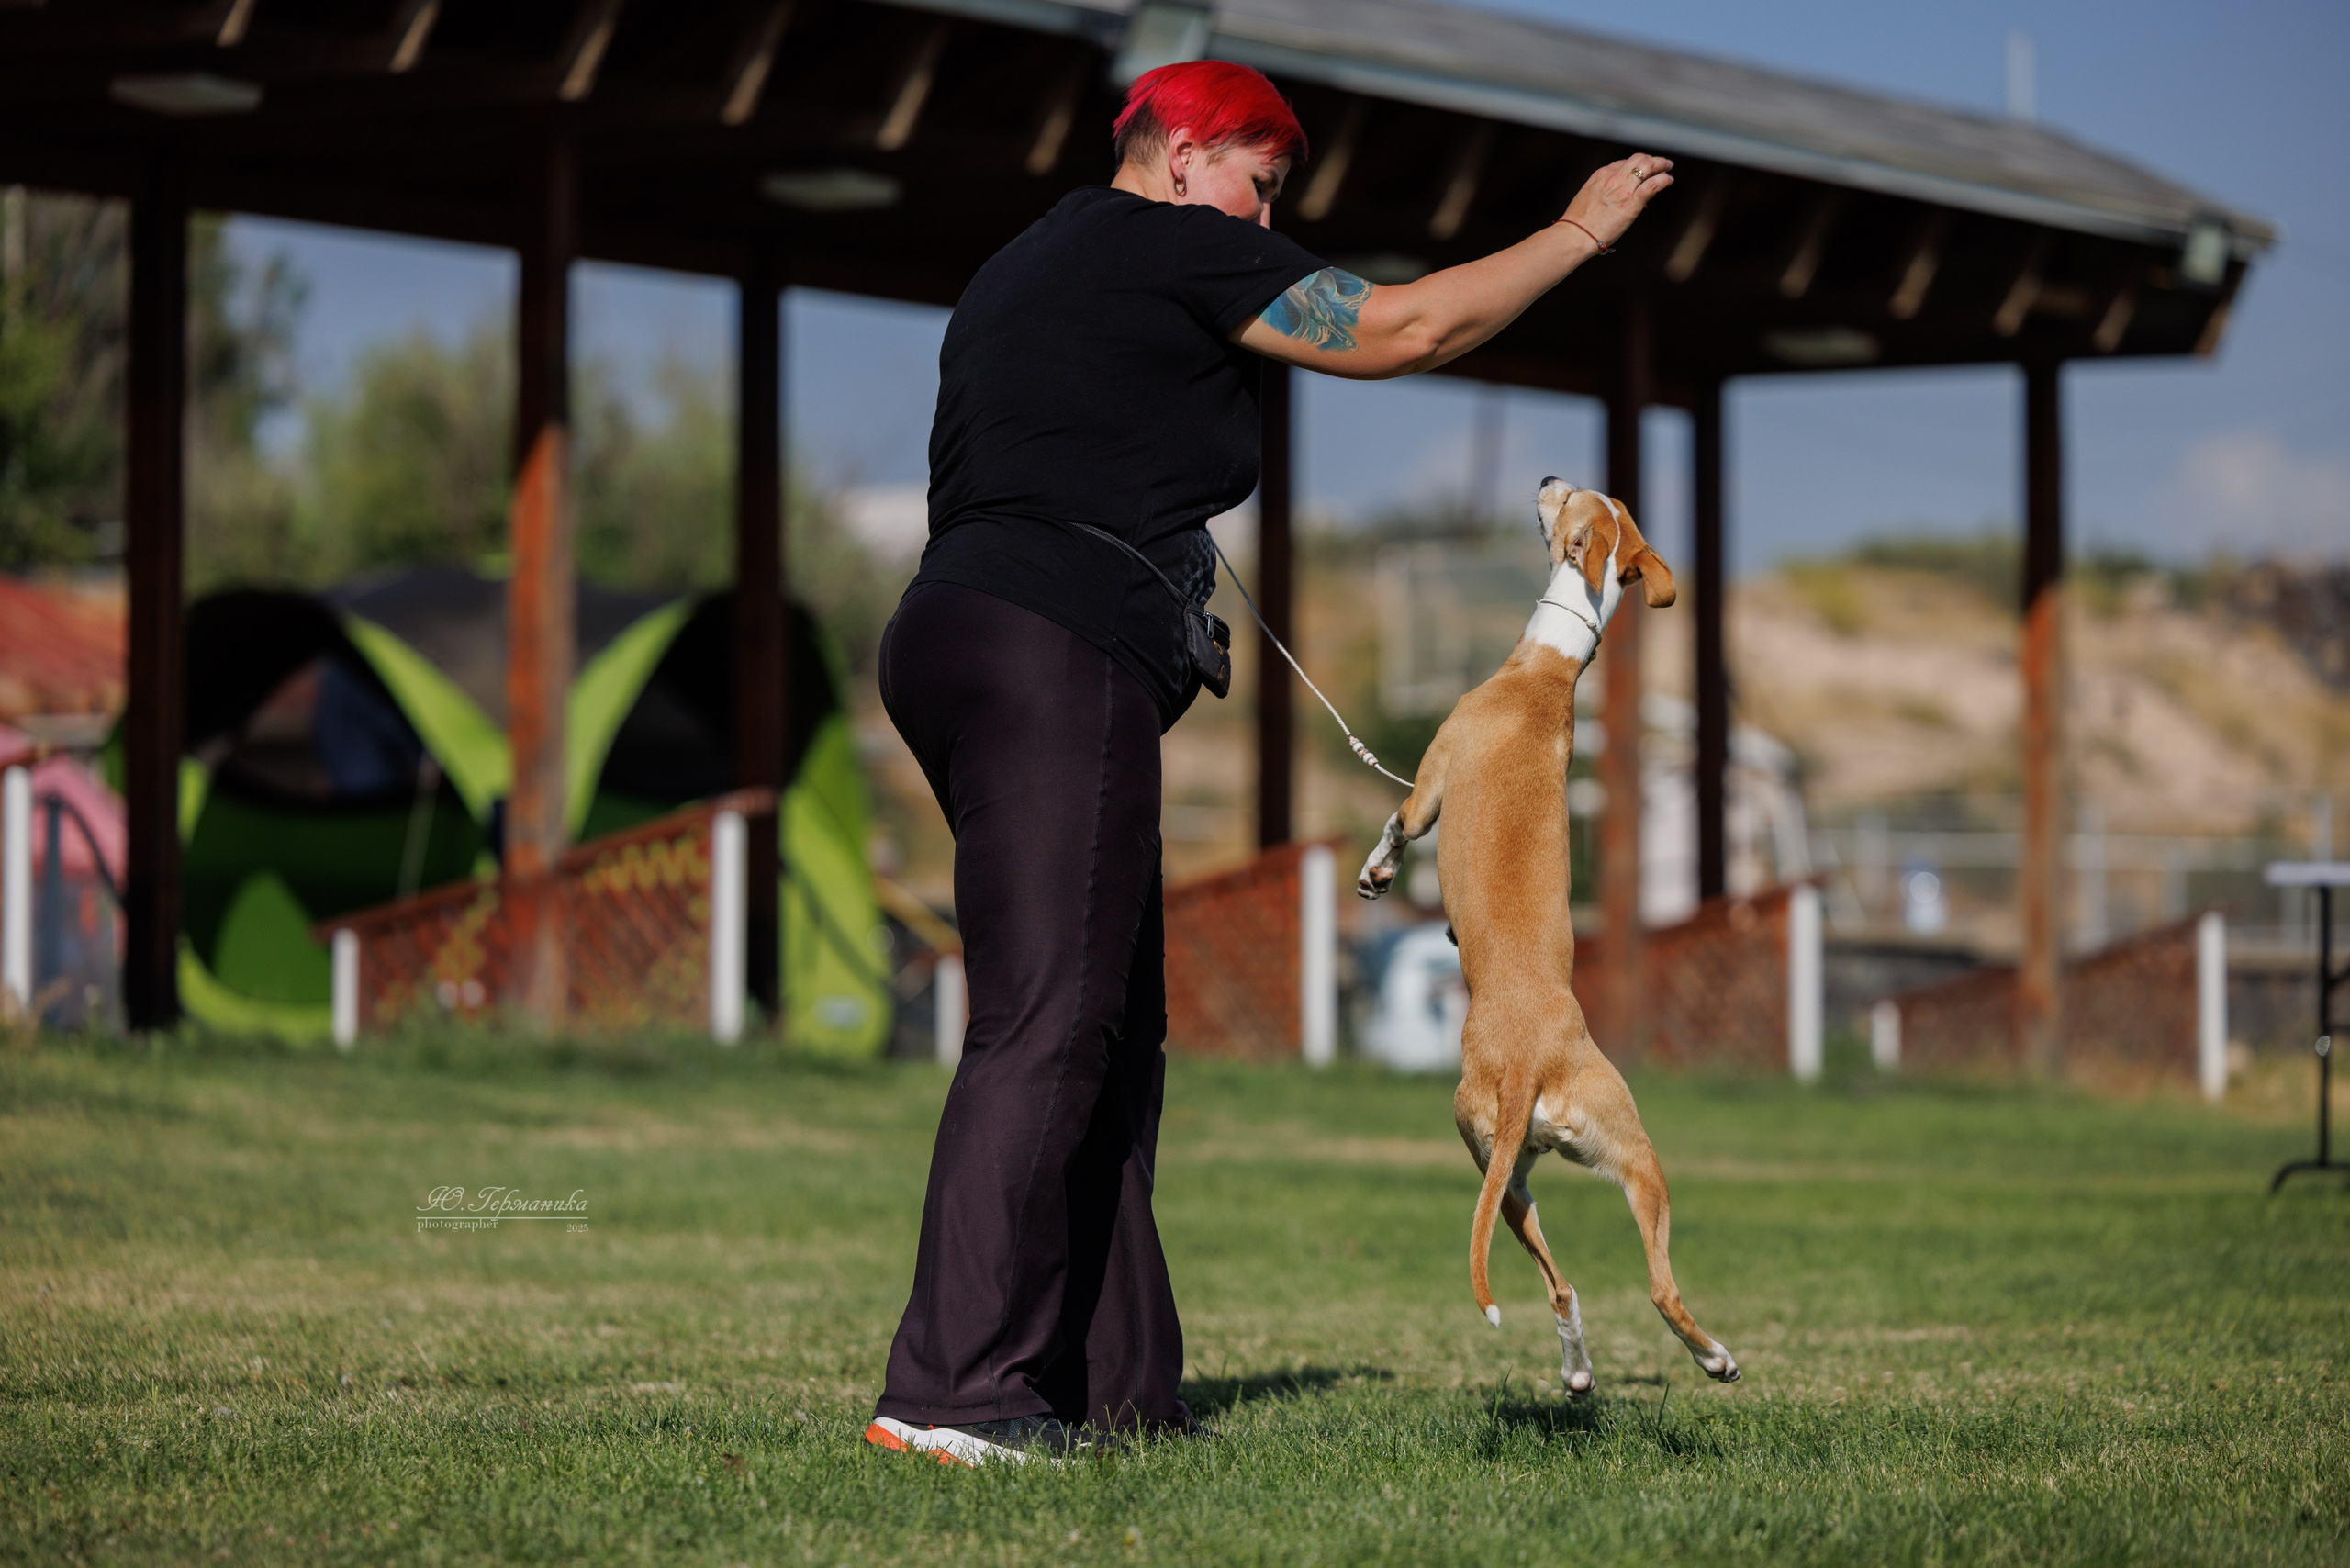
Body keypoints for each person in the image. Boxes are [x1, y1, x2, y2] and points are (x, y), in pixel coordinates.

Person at [863, 60, 1675, 1466]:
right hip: (1056, 652)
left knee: (1109, 1031)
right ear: (1180, 156)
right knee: (1052, 1021)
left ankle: (1117, 1392)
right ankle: (954, 1394)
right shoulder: (1174, 240)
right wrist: (1582, 233)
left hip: (950, 635)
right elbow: (1406, 326)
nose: (1266, 215)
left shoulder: (1019, 268)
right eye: (1261, 180)